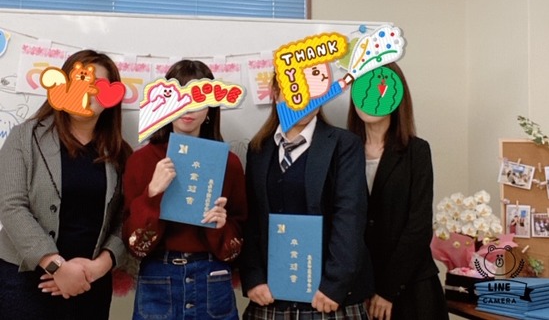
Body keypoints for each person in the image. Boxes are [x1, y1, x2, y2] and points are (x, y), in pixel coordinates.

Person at [0, 49, 132, 319]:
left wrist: (99, 266)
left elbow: (125, 219)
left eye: (98, 86)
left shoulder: (120, 153)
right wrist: (56, 267)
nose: (87, 91)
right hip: (26, 280)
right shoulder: (25, 137)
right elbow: (11, 205)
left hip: (90, 284)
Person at [239, 75, 373, 319]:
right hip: (271, 297)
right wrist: (253, 277)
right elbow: (252, 219)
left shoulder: (344, 144)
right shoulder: (259, 148)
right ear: (276, 92)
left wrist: (334, 285)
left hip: (327, 300)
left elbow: (350, 218)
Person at [122, 60, 247, 320]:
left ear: (211, 108)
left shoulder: (229, 163)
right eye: (179, 98)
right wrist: (152, 195)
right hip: (159, 277)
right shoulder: (141, 161)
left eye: (198, 99)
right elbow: (136, 247)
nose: (188, 109)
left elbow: (236, 247)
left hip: (212, 278)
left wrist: (221, 225)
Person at [347, 62, 448, 320]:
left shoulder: (417, 151)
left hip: (411, 287)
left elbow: (419, 226)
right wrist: (363, 285)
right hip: (360, 290)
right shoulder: (343, 152)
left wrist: (387, 290)